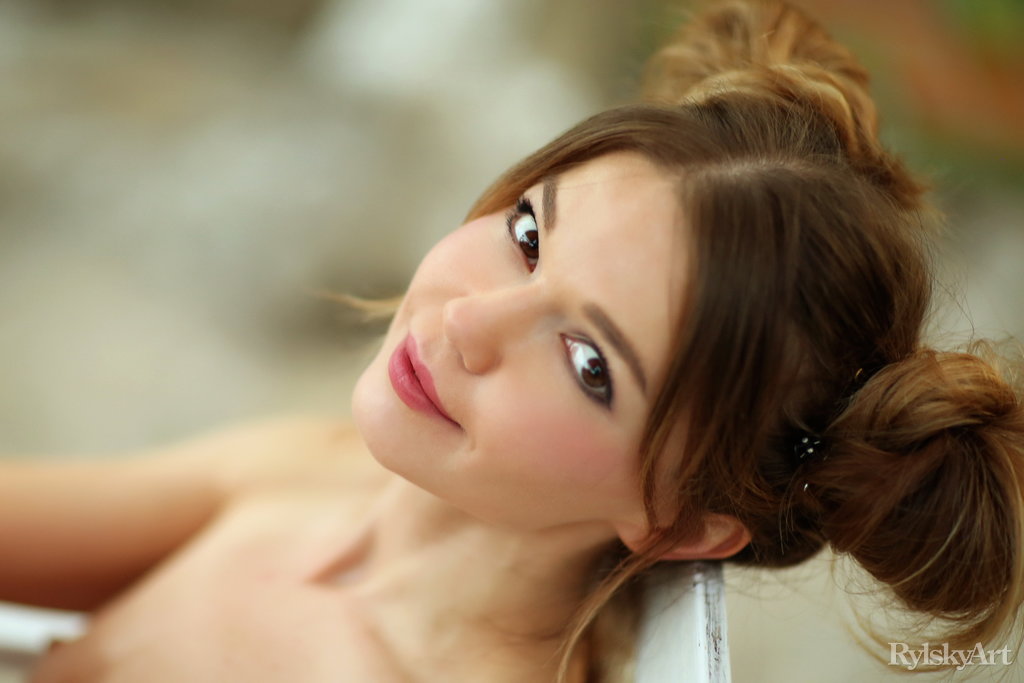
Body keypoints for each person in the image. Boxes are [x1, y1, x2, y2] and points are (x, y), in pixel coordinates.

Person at [2, 1, 1022, 681]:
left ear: (681, 522)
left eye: (588, 363)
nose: (467, 321)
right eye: (529, 235)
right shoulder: (320, 478)